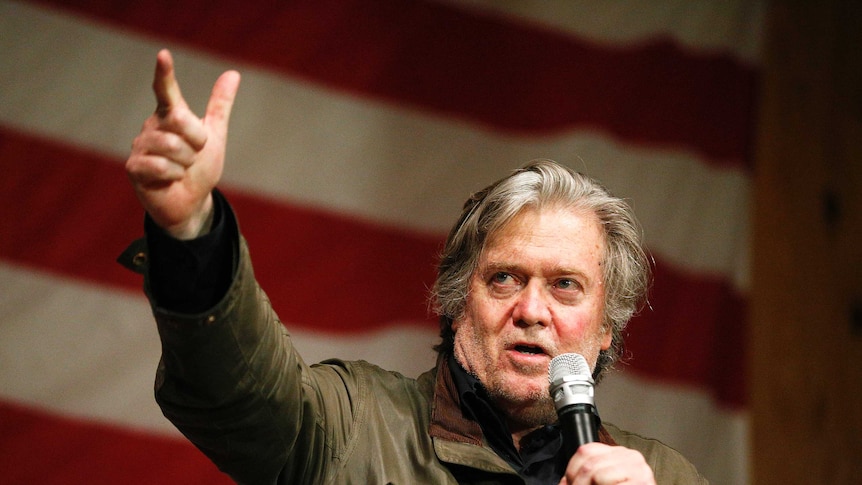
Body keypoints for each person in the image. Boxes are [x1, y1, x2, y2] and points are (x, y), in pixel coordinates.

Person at [120, 49, 707, 485]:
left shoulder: (664, 478)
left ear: (607, 326)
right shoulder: (350, 426)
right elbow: (233, 393)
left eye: (565, 286)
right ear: (456, 301)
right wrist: (191, 227)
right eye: (504, 278)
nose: (532, 311)